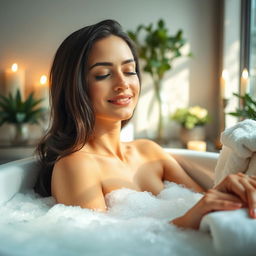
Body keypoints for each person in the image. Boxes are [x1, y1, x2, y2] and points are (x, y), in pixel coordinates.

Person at [34, 19, 256, 230]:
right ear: (75, 86)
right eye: (103, 74)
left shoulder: (149, 152)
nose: (123, 83)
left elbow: (205, 201)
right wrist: (188, 220)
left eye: (129, 71)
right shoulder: (75, 165)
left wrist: (232, 189)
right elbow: (103, 247)